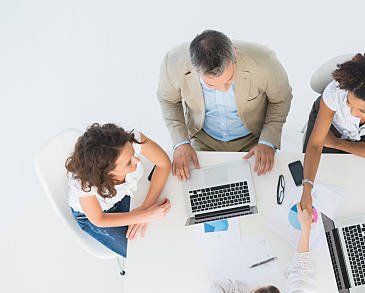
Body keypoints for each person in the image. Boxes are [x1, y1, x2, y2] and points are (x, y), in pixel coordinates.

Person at [157, 29, 292, 181]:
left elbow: (281, 99)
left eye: (229, 80)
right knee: (196, 188)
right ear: (195, 70)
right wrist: (181, 143)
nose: (223, 89)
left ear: (234, 53)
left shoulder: (265, 61)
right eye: (211, 85)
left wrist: (268, 141)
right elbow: (168, 100)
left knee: (264, 189)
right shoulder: (172, 63)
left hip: (254, 137)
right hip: (203, 138)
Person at [300, 52, 365, 212]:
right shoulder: (335, 93)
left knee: (356, 175)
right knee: (321, 171)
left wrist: (336, 143)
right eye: (349, 103)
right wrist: (307, 188)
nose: (352, 112)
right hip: (332, 125)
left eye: (362, 110)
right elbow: (316, 144)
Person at [65, 123, 171, 258]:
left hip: (122, 197)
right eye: (128, 162)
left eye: (133, 153)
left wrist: (146, 207)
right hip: (97, 215)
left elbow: (163, 164)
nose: (137, 160)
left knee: (165, 230)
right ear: (106, 172)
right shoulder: (84, 183)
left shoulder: (130, 139)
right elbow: (99, 219)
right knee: (141, 255)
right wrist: (146, 215)